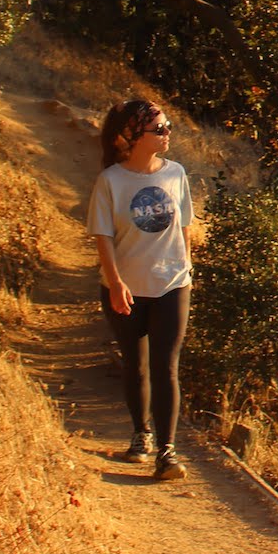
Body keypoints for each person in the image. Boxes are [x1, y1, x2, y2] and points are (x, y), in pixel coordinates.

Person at [89, 98, 196, 481]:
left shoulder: (176, 174)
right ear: (134, 136)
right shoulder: (111, 181)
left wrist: (186, 264)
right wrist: (115, 283)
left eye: (168, 127)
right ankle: (141, 435)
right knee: (135, 365)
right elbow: (103, 237)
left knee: (166, 366)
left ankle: (167, 453)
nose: (167, 134)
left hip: (171, 285)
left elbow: (184, 224)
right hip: (126, 288)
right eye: (159, 129)